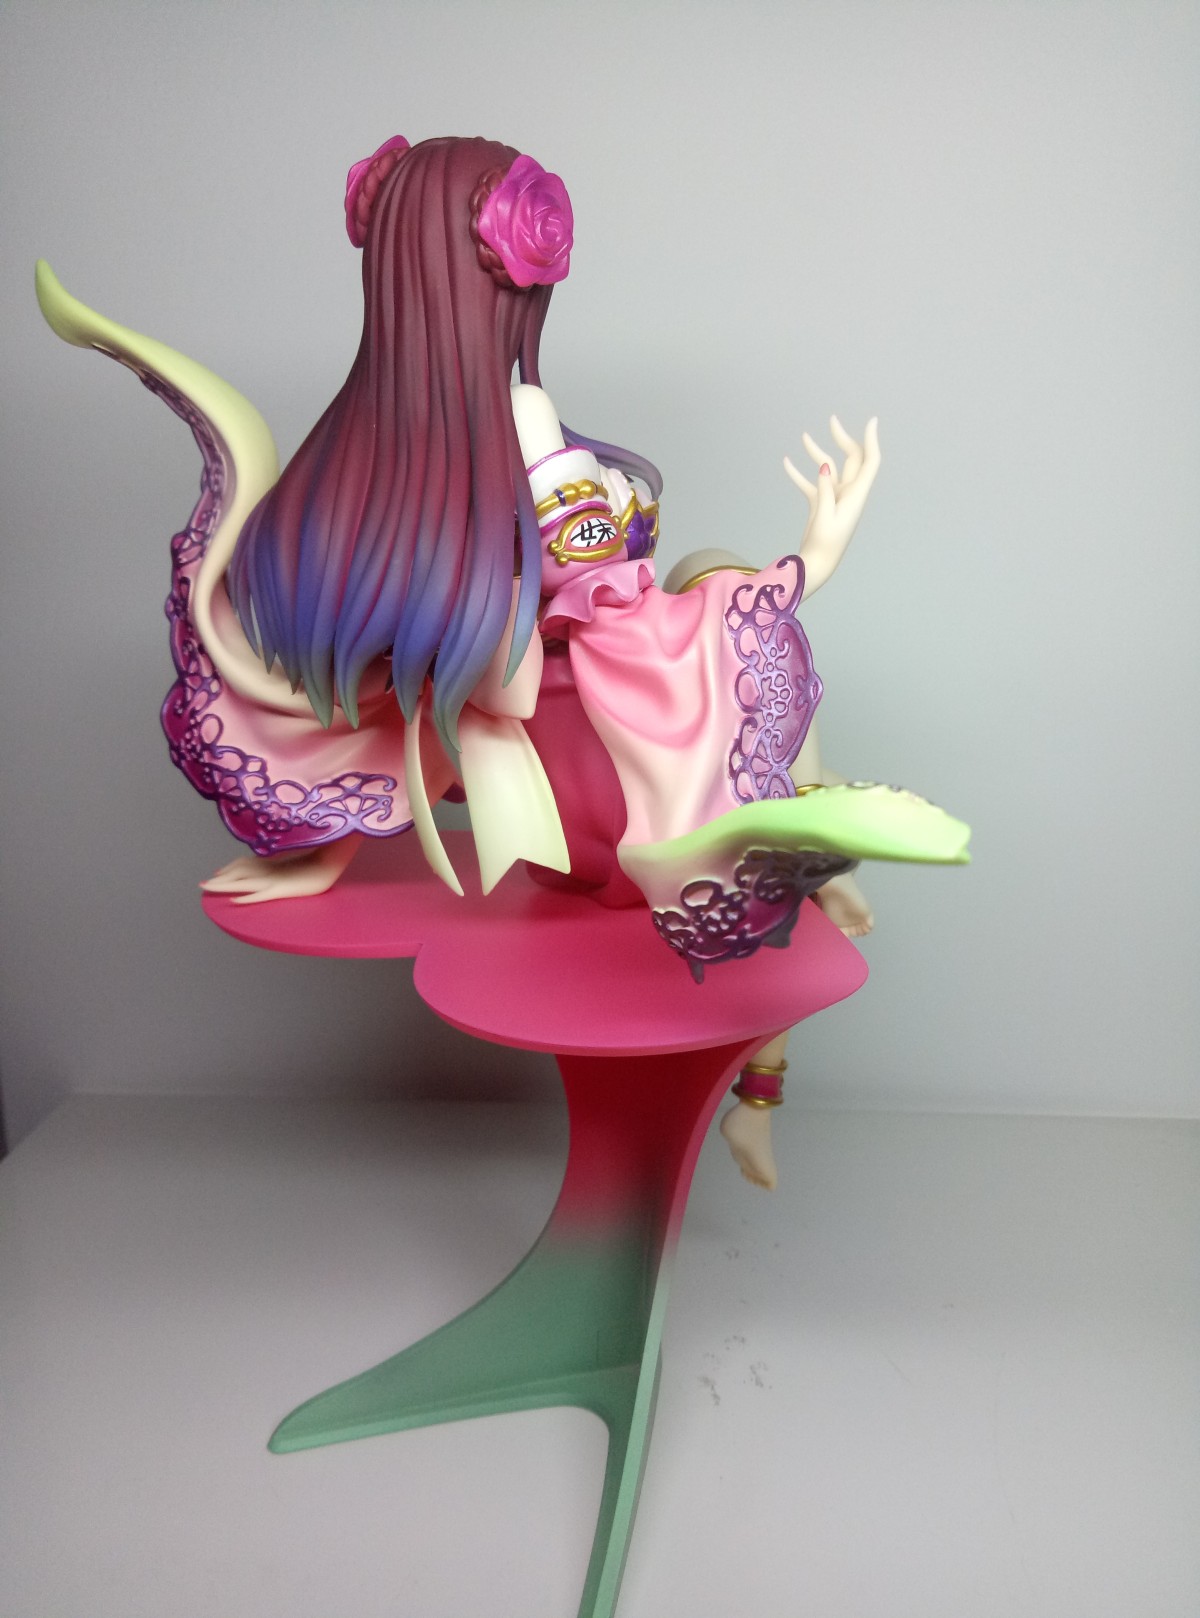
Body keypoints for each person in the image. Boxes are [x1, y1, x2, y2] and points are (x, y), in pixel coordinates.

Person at [36, 133, 968, 981]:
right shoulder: (522, 420)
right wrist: (805, 563)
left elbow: (395, 696)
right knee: (716, 576)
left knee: (703, 591)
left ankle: (798, 858)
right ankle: (794, 832)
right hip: (610, 790)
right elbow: (612, 620)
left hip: (539, 804)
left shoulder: (369, 465)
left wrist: (321, 850)